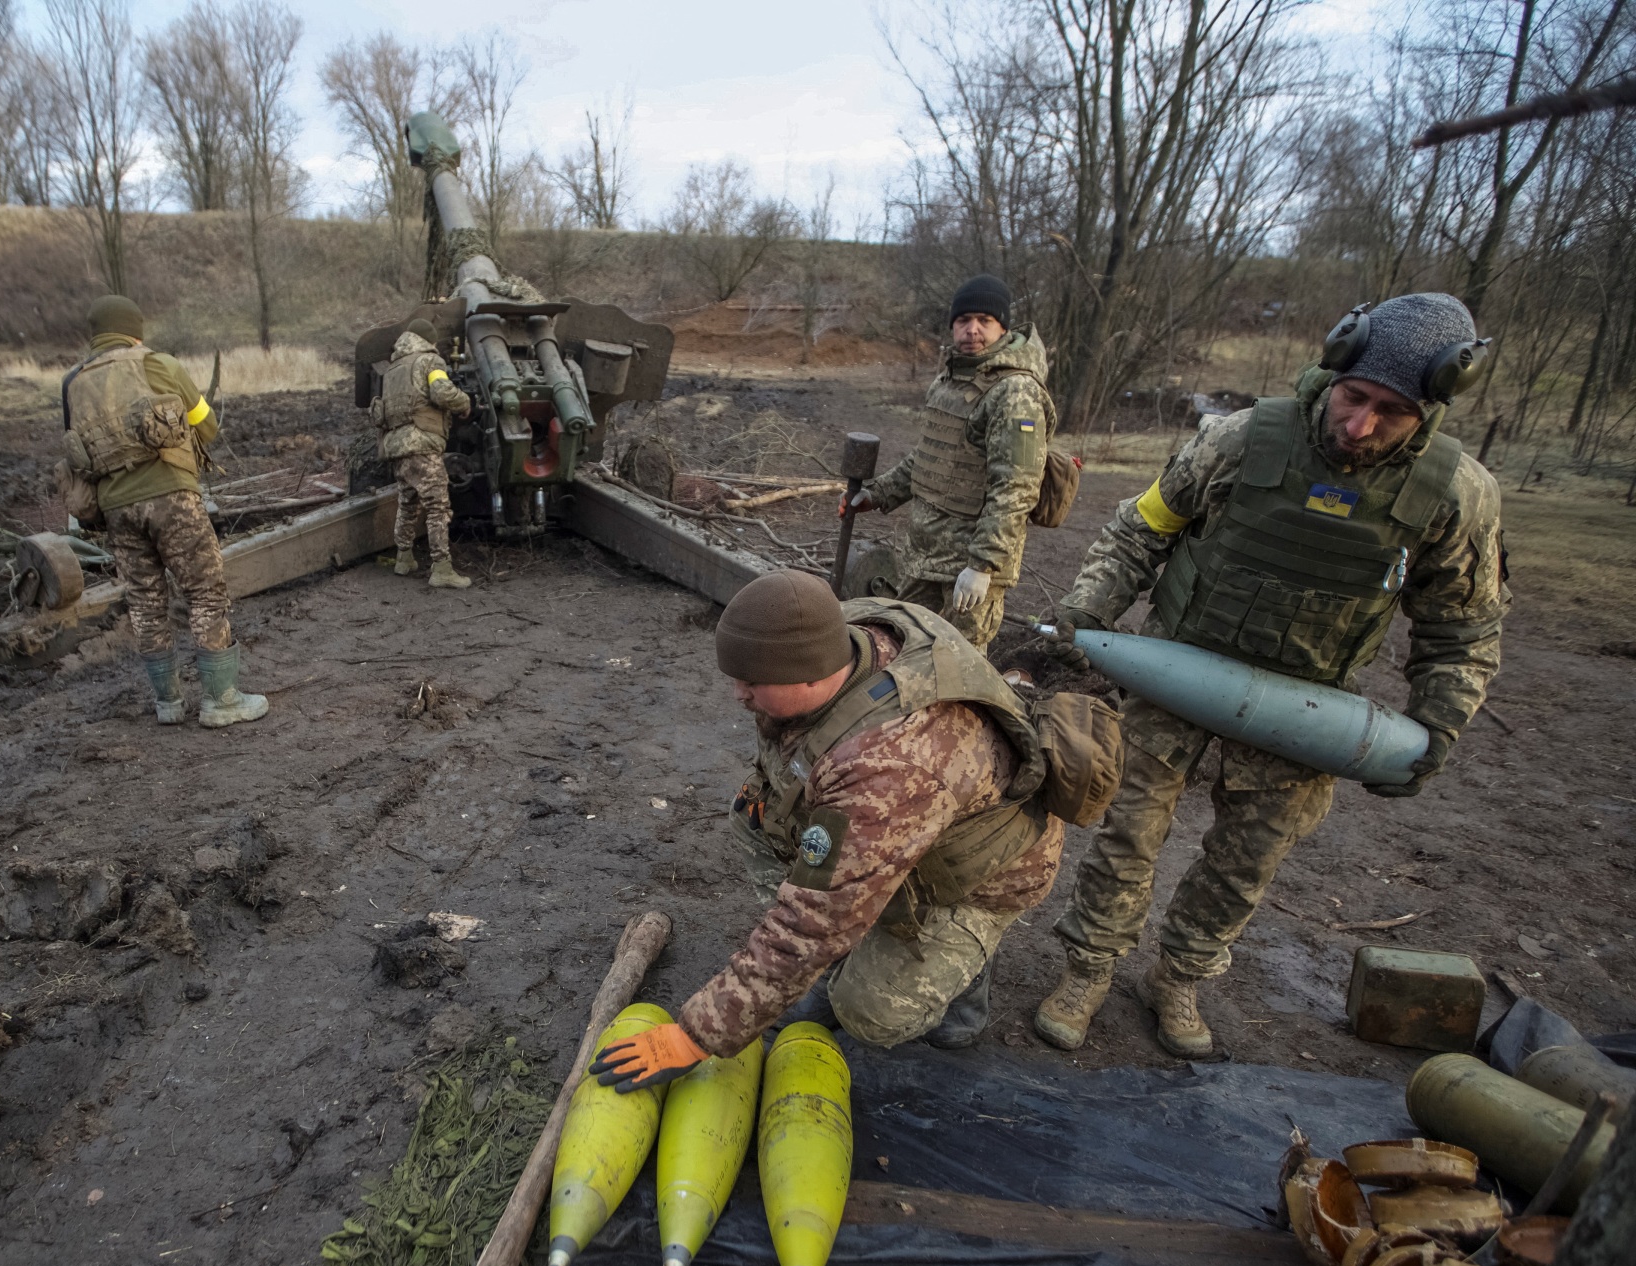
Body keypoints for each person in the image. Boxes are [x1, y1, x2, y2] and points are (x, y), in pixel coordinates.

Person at [1032, 292, 1506, 1058]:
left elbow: (1464, 628)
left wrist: (1438, 727)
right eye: (1353, 398)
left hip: (1305, 714)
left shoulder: (1455, 497)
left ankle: (1179, 976)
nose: (1359, 427)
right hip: (1174, 676)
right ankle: (1088, 968)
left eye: (1391, 412)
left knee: (1244, 864)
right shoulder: (1241, 439)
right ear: (1335, 366)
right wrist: (1087, 612)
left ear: (1434, 408)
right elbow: (1139, 530)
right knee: (1125, 835)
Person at [587, 570, 1067, 1093]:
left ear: (810, 677)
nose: (737, 695)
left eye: (752, 683)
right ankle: (851, 938)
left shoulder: (888, 765)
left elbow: (811, 923)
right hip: (904, 825)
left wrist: (697, 1035)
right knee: (754, 817)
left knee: (870, 1013)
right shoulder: (838, 632)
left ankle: (968, 972)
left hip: (980, 874)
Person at [61, 294, 267, 728]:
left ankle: (168, 704)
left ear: (95, 334)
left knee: (145, 602)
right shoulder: (158, 364)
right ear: (135, 329)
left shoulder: (73, 382)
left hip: (116, 509)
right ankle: (221, 701)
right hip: (171, 497)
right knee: (206, 592)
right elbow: (206, 426)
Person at [841, 273, 1054, 649]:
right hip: (924, 555)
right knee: (906, 651)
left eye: (984, 321)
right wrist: (878, 493)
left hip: (967, 566)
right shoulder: (950, 380)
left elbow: (1017, 488)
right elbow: (929, 456)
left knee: (958, 667)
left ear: (1002, 327)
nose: (972, 330)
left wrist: (982, 565)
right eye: (963, 321)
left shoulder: (1015, 392)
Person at [372, 319, 473, 589]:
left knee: (407, 503)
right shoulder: (430, 362)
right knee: (438, 507)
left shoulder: (393, 368)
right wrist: (465, 401)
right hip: (422, 443)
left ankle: (404, 559)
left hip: (397, 446)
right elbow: (441, 393)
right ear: (429, 341)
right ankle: (441, 569)